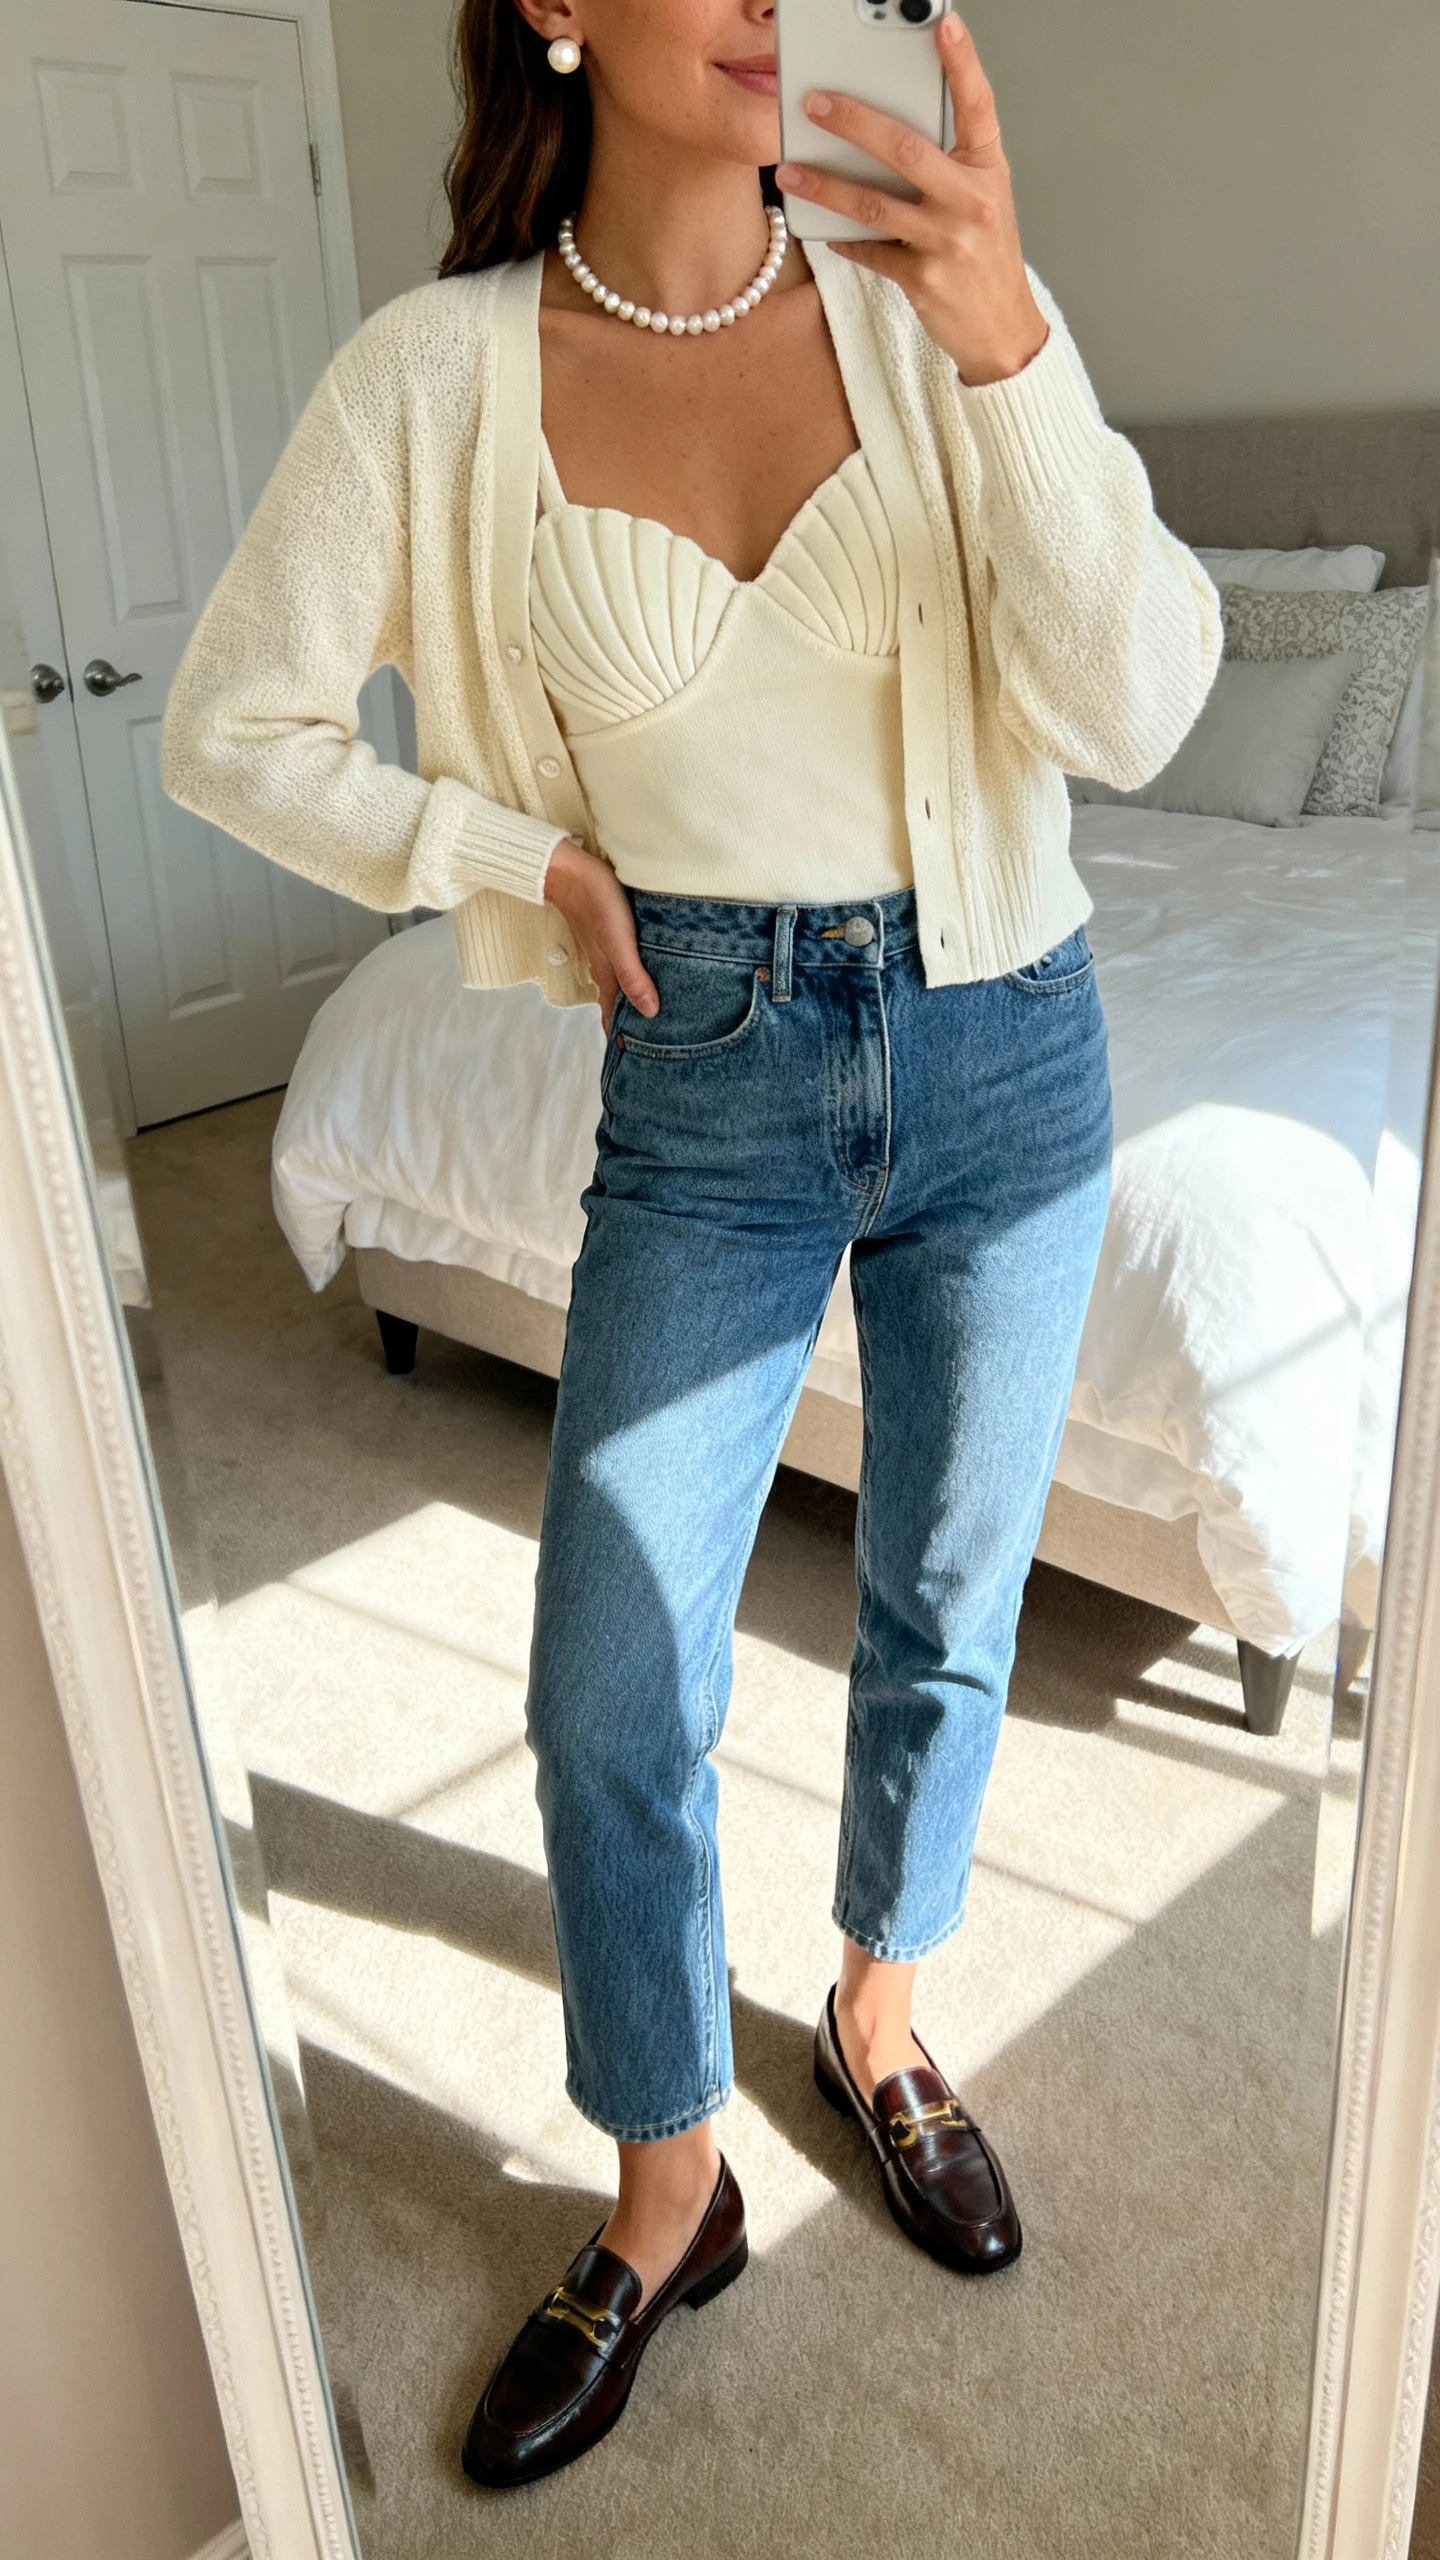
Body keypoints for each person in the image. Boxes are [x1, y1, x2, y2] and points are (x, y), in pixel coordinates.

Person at [161, 0, 1220, 2493]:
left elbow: (1147, 697)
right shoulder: (438, 375)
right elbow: (235, 722)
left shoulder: (919, 300)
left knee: (950, 1604)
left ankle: (881, 2009)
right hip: (709, 1078)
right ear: (551, 4)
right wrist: (494, 862)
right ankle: (668, 2178)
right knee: (613, 1677)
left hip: (1004, 1036)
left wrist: (1017, 345)